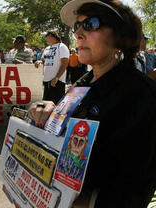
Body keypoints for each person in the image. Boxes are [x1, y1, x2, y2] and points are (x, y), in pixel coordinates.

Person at [28, 0, 156, 207]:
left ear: (119, 36)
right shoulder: (82, 83)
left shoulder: (140, 95)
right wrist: (47, 112)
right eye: (76, 26)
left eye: (90, 24)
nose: (78, 33)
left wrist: (86, 202)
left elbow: (137, 185)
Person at [34, 30, 69, 104]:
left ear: (53, 37)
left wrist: (56, 78)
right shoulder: (47, 48)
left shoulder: (61, 46)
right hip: (47, 80)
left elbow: (64, 64)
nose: (46, 38)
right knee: (46, 104)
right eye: (46, 36)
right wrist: (39, 61)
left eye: (48, 36)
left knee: (56, 105)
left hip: (57, 81)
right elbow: (43, 60)